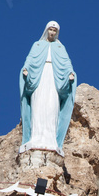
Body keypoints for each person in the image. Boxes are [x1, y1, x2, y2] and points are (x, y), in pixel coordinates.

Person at [20, 21, 76, 157]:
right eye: (50, 30)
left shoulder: (60, 47)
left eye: (54, 31)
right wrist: (26, 69)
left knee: (52, 107)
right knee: (38, 106)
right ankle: (35, 137)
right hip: (39, 78)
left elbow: (66, 62)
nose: (52, 32)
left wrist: (70, 72)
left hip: (54, 79)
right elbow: (30, 58)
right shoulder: (38, 45)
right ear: (46, 30)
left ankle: (50, 139)